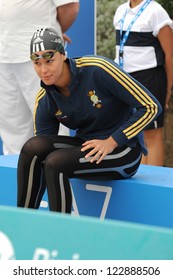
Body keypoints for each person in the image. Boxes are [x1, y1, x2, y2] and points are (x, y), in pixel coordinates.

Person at [17, 27, 161, 213]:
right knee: (33, 148)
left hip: (124, 150)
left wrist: (111, 141)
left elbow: (151, 106)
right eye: (37, 64)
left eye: (49, 61)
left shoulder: (98, 69)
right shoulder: (45, 97)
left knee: (55, 163)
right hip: (87, 145)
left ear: (63, 55)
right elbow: (42, 148)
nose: (44, 70)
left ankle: (58, 234)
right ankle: (22, 221)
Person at [0, 0, 79, 155]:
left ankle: (55, 171)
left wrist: (48, 38)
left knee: (52, 118)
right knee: (12, 126)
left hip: (41, 56)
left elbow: (70, 7)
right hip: (3, 56)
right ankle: (18, 174)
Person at [113, 0, 173, 166]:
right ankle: (140, 182)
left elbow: (170, 55)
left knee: (151, 134)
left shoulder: (156, 11)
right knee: (133, 132)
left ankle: (155, 186)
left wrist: (167, 91)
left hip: (150, 79)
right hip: (125, 79)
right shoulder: (120, 11)